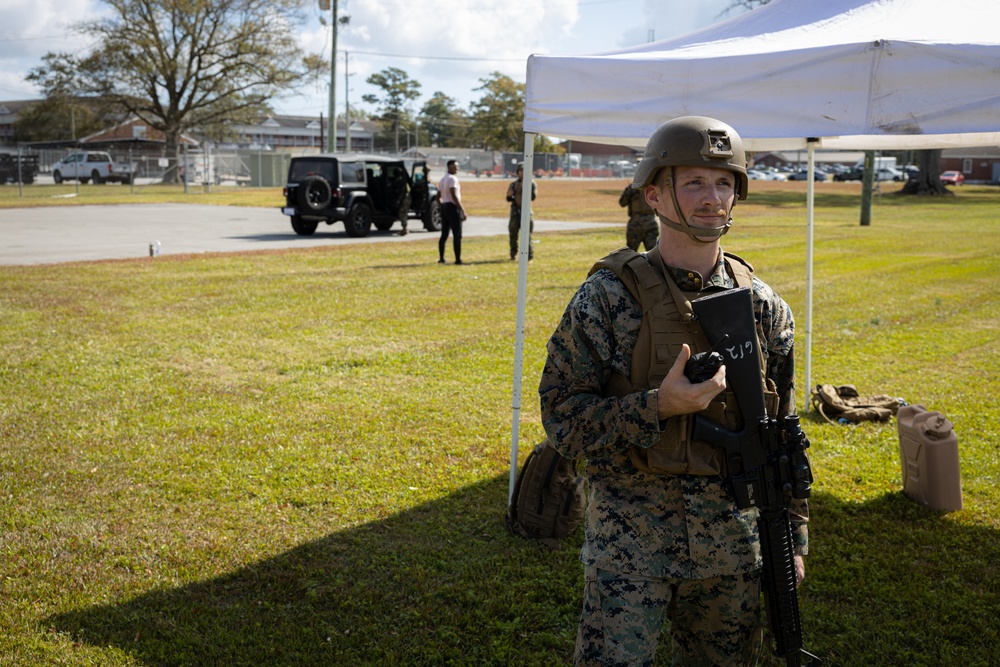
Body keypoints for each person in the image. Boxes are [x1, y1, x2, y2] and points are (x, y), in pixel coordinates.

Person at [538, 116, 809, 667]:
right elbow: (561, 420)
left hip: (731, 547)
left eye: (725, 184)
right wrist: (657, 407)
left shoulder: (764, 308)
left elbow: (783, 438)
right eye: (694, 183)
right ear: (655, 195)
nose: (713, 199)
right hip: (629, 545)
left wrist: (794, 534)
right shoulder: (608, 300)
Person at [437, 159, 466, 264]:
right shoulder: (453, 179)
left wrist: (442, 206)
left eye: (457, 167)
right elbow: (453, 195)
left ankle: (441, 258)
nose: (457, 169)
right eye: (454, 167)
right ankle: (458, 259)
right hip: (452, 207)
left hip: (444, 205)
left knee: (444, 234)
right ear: (449, 167)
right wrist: (461, 209)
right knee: (457, 234)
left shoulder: (442, 179)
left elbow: (438, 197)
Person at [506, 164, 537, 260]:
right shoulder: (513, 184)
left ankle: (529, 255)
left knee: (527, 235)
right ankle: (513, 253)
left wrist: (524, 187)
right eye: (521, 171)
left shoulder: (531, 184)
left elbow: (533, 197)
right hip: (515, 212)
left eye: (524, 171)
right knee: (513, 234)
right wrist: (510, 194)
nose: (522, 173)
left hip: (527, 213)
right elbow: (508, 198)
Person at [619, 182, 658, 251]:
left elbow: (622, 202)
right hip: (651, 224)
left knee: (631, 254)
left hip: (635, 225)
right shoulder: (654, 188)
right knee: (653, 254)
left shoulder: (632, 188)